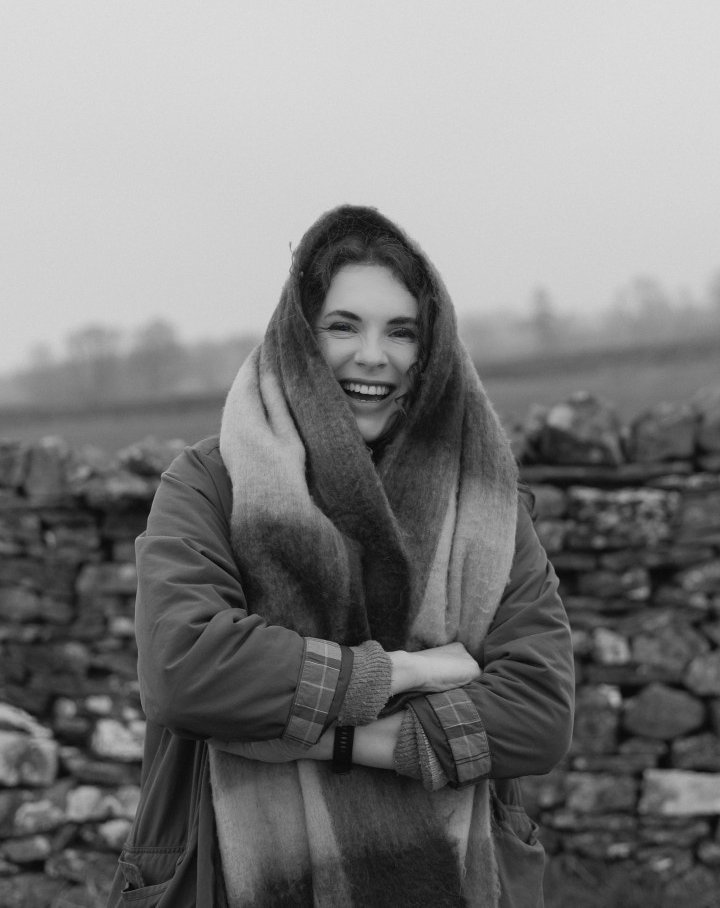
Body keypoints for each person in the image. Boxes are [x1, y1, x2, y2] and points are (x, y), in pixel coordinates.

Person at [106, 205, 574, 908]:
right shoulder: (211, 483)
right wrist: (406, 671)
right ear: (299, 336)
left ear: (431, 348)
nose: (373, 356)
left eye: (402, 331)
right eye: (343, 326)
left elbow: (537, 714)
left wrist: (328, 739)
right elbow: (186, 672)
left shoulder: (488, 504)